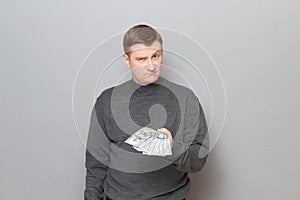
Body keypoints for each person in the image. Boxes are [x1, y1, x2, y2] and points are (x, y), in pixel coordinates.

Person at [84, 24, 209, 200]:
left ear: (162, 54)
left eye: (155, 56)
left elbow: (198, 161)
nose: (151, 66)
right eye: (141, 59)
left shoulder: (185, 98)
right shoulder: (106, 101)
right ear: (127, 61)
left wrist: (171, 148)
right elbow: (96, 163)